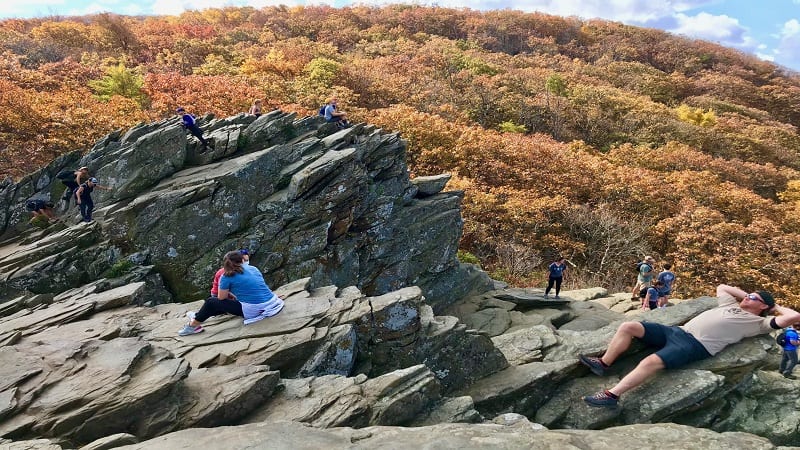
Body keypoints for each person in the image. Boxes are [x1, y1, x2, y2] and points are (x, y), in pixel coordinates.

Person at [580, 284, 800, 408]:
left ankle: (612, 395)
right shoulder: (730, 304)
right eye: (749, 294)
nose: (747, 297)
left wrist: (773, 307)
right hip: (678, 331)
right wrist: (750, 297)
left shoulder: (760, 323)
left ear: (762, 306)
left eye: (753, 297)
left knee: (650, 361)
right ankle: (604, 363)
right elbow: (723, 287)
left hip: (696, 345)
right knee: (629, 326)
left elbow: (794, 315)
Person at [179, 250, 284, 336]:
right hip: (272, 301)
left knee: (211, 302)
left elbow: (221, 298)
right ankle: (198, 315)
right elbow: (260, 285)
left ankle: (192, 325)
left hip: (255, 309)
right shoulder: (253, 268)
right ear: (242, 259)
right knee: (220, 304)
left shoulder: (226, 276)